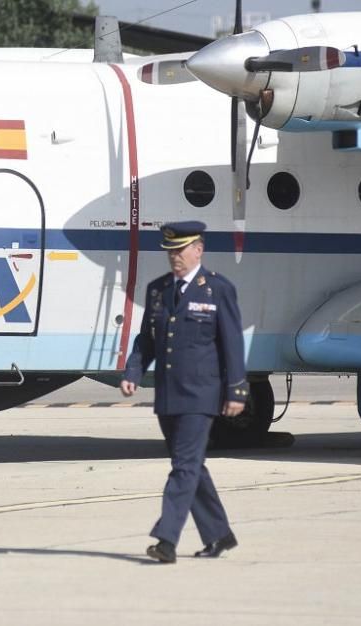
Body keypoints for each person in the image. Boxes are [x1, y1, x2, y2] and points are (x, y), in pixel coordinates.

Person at [120, 220, 249, 563]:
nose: (174, 257)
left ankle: (166, 539)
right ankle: (219, 534)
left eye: (180, 251)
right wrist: (133, 370)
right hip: (168, 394)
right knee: (190, 466)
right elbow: (147, 339)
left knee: (184, 467)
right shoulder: (158, 290)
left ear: (198, 250)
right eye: (169, 252)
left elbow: (232, 343)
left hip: (202, 395)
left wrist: (237, 390)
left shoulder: (217, 289)